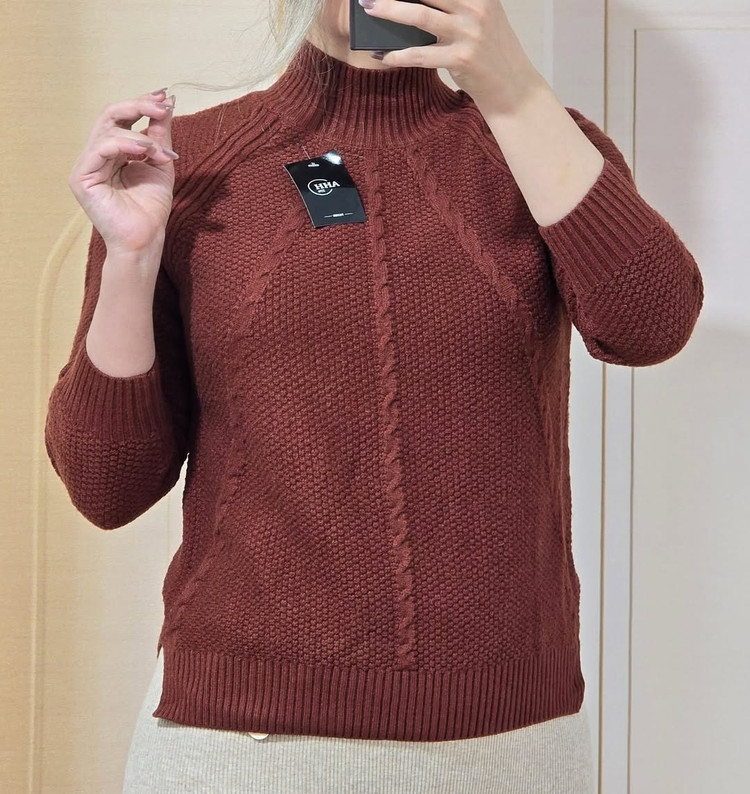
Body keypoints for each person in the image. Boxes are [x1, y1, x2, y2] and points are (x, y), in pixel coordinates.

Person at [44, 0, 704, 791]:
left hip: (509, 745)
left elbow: (650, 326)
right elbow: (106, 488)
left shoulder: (538, 143)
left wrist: (512, 86)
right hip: (241, 748)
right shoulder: (193, 167)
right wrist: (128, 259)